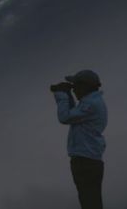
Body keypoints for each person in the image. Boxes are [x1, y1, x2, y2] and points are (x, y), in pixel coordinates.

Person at [50, 69, 108, 209]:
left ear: (85, 86)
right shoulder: (92, 102)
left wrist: (62, 95)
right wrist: (68, 95)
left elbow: (65, 117)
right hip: (89, 158)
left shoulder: (90, 104)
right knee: (91, 202)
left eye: (76, 86)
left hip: (85, 160)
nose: (74, 89)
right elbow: (73, 116)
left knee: (89, 202)